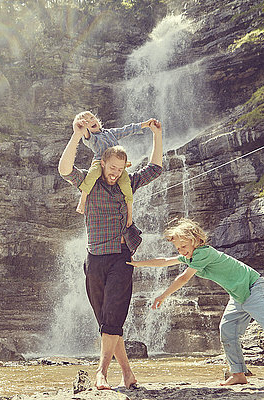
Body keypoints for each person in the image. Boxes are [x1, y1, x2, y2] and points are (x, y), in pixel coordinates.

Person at [128, 218, 264, 387]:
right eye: (178, 248)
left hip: (253, 287)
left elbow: (184, 278)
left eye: (183, 245)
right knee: (227, 331)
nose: (181, 251)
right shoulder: (190, 255)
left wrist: (163, 295)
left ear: (195, 239)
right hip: (238, 294)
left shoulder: (203, 253)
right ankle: (238, 374)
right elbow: (164, 261)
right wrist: (138, 264)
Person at [58, 115, 163, 390]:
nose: (115, 172)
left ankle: (101, 372)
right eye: (112, 167)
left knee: (114, 314)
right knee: (106, 321)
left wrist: (156, 135)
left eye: (120, 168)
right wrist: (76, 135)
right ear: (102, 163)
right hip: (93, 259)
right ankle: (127, 372)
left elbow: (155, 168)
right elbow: (64, 169)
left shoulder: (128, 182)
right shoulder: (90, 183)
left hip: (121, 257)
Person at [73, 111, 156, 228]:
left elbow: (125, 130)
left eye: (92, 118)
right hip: (100, 162)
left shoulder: (110, 133)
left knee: (126, 185)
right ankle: (82, 201)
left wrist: (144, 124)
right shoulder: (91, 138)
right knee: (91, 176)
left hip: (116, 165)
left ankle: (130, 214)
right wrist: (82, 128)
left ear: (97, 120)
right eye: (87, 122)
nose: (91, 121)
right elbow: (87, 135)